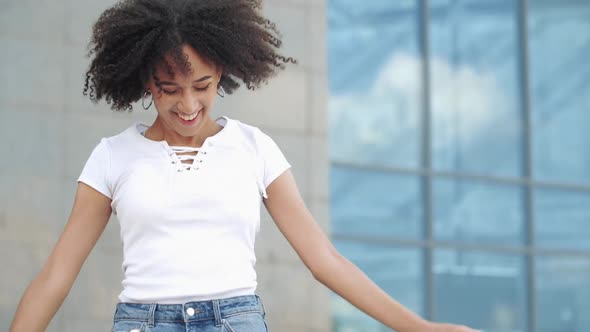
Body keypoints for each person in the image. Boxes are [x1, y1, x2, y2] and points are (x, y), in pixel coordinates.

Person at [9, 1, 479, 331]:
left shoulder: (255, 148)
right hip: (142, 323)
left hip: (235, 322)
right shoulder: (112, 156)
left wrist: (418, 328)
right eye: (168, 88)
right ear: (144, 83)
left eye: (203, 84)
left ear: (225, 72)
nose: (189, 104)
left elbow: (325, 262)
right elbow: (56, 277)